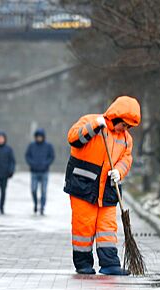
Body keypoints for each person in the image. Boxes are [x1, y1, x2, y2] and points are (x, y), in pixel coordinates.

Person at [63, 96, 141, 276]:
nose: (126, 129)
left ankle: (110, 264)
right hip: (83, 186)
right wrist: (94, 126)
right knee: (84, 227)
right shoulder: (91, 121)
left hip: (108, 189)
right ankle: (83, 264)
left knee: (107, 228)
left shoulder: (127, 139)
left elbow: (126, 159)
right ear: (116, 117)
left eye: (129, 127)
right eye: (125, 125)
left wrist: (119, 172)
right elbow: (73, 139)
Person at [25, 128, 55, 215]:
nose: (39, 138)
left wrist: (46, 164)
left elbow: (52, 156)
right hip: (34, 171)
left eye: (40, 136)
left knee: (44, 191)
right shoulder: (31, 146)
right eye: (37, 136)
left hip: (44, 172)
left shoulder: (48, 146)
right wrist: (32, 163)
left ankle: (42, 207)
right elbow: (27, 156)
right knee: (33, 190)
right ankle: (35, 203)